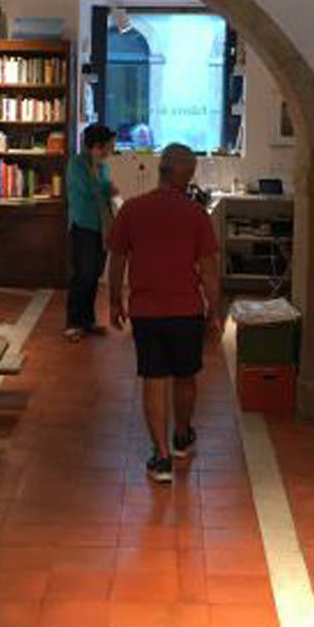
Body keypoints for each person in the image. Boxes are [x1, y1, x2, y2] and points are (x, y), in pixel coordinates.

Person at [106, 143, 221, 483]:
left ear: (161, 169)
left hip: (147, 311)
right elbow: (210, 269)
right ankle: (182, 436)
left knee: (154, 379)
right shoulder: (196, 215)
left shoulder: (132, 209)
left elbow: (117, 260)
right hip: (186, 309)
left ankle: (161, 457)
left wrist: (115, 301)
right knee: (186, 376)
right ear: (188, 177)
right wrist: (214, 311)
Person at [64, 123, 117, 340]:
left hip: (100, 227)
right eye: (108, 146)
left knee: (94, 274)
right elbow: (89, 189)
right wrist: (106, 187)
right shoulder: (76, 163)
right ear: (97, 146)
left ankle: (88, 320)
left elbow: (105, 189)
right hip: (82, 225)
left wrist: (106, 187)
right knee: (82, 275)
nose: (111, 150)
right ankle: (73, 323)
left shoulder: (103, 166)